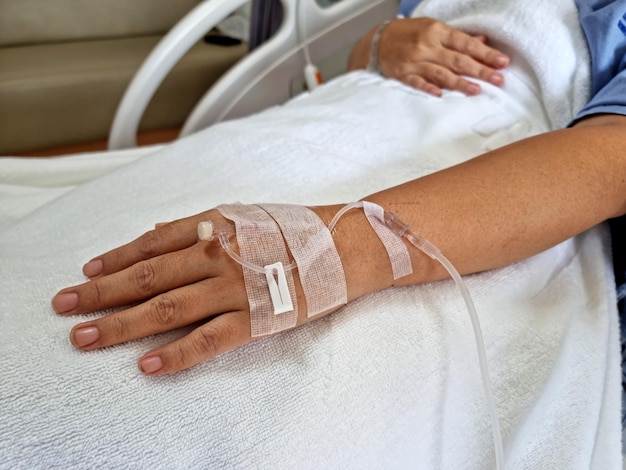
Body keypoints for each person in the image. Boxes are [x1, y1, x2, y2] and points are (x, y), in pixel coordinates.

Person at [51, 0, 625, 389]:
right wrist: (383, 41)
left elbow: (613, 153)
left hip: (513, 165)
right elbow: (360, 62)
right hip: (342, 109)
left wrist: (324, 252)